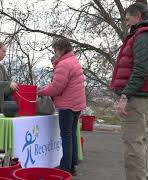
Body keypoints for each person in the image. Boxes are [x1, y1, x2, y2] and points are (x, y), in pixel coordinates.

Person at [110, 3, 148, 180]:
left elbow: (141, 71)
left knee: (132, 145)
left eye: (128, 19)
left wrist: (125, 96)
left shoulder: (143, 35)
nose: (127, 24)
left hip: (136, 97)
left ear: (138, 16)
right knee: (138, 142)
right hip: (140, 95)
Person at [38, 38, 86, 175]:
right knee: (71, 135)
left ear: (60, 49)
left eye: (55, 50)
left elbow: (56, 88)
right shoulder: (74, 61)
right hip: (77, 104)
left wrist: (40, 92)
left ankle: (65, 169)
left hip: (67, 105)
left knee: (66, 136)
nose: (55, 53)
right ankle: (72, 166)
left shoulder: (64, 64)